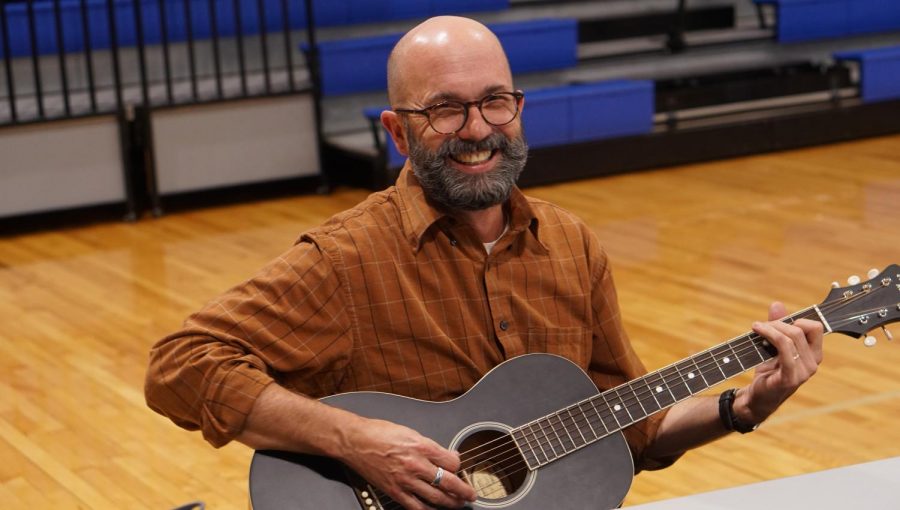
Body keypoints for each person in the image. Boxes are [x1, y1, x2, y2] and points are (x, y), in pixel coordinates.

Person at [145, 16, 823, 510]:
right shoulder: (347, 260)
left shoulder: (571, 245)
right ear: (397, 132)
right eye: (444, 109)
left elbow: (633, 431)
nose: (477, 129)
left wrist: (745, 405)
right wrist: (354, 440)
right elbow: (180, 364)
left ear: (518, 108)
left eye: (494, 101)